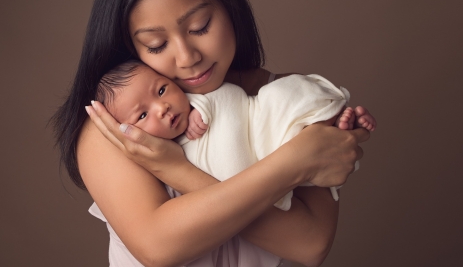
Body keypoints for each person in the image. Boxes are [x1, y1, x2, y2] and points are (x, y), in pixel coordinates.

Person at [52, 0, 370, 267]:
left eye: (200, 26)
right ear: (131, 46)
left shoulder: (286, 100)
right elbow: (158, 247)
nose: (187, 58)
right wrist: (296, 161)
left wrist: (178, 171)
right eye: (156, 45)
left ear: (228, 5)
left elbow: (310, 243)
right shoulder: (118, 121)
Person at [93, 59, 376, 208]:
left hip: (259, 125)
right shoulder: (152, 160)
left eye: (162, 90)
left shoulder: (198, 98)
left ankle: (332, 116)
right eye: (143, 115)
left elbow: (218, 98)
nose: (163, 107)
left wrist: (199, 110)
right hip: (265, 165)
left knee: (282, 101)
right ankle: (336, 127)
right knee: (302, 161)